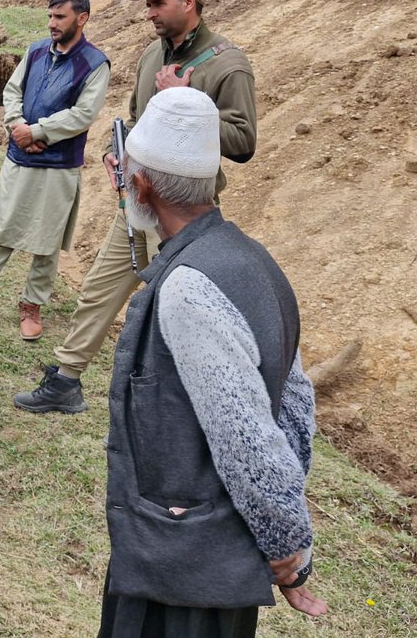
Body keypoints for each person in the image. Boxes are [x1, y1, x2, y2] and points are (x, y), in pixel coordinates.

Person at [99, 86, 325, 636]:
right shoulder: (252, 258)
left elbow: (246, 437)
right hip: (208, 558)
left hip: (181, 578)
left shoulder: (188, 290)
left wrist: (287, 549)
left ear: (143, 183)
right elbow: (294, 403)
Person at [18, 0, 256, 414]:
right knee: (99, 290)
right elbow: (132, 117)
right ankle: (66, 380)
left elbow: (244, 143)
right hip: (137, 200)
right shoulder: (152, 56)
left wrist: (186, 104)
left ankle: (201, 404)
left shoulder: (229, 64)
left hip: (186, 213)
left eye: (157, 3)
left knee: (184, 310)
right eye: (146, 4)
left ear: (189, 3)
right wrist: (116, 151)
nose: (148, 13)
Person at [0, 0, 110, 342]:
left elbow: (84, 114)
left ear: (82, 18)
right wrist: (17, 127)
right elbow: (12, 92)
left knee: (46, 242)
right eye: (50, 17)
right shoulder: (35, 51)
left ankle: (32, 306)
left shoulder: (94, 63)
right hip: (20, 158)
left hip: (58, 165)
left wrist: (39, 131)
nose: (52, 24)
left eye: (60, 17)